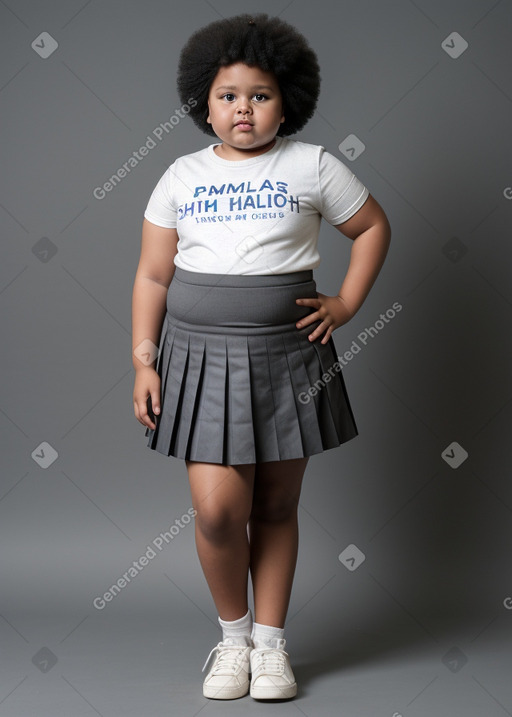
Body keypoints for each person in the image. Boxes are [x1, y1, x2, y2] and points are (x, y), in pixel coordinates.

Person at [132, 12, 391, 702]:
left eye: (260, 94)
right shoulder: (180, 174)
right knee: (219, 510)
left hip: (288, 357)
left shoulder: (312, 165)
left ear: (289, 101)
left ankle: (272, 647)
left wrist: (346, 304)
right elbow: (154, 275)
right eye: (227, 95)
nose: (242, 108)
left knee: (276, 502)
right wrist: (143, 358)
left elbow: (370, 227)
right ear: (203, 103)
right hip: (198, 357)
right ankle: (232, 638)